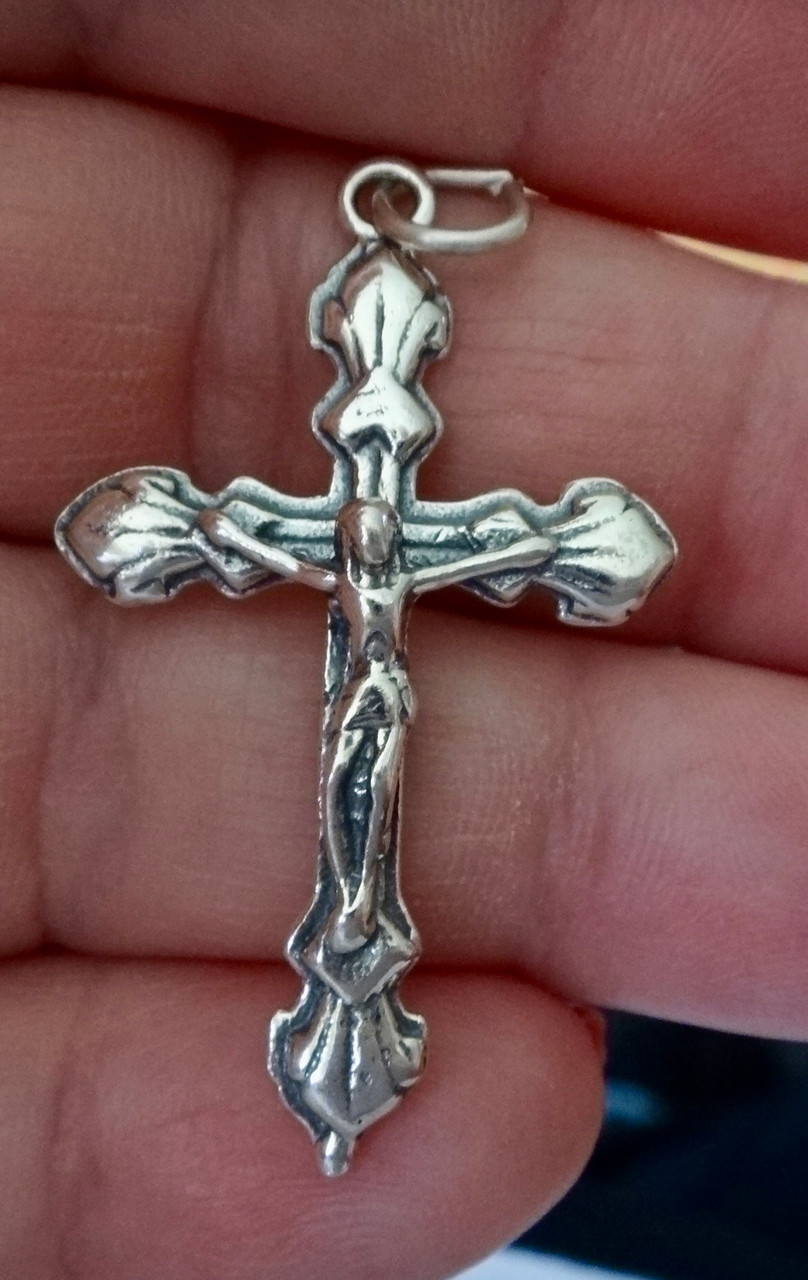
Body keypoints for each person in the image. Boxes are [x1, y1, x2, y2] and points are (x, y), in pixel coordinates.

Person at [0, 5, 806, 1279]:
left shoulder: (425, 536)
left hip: (378, 674)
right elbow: (135, 530)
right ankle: (350, 977)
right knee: (358, 769)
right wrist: (225, 531)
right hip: (352, 670)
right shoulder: (299, 530)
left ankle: (354, 978)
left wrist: (516, 546)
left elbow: (599, 545)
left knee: (368, 752)